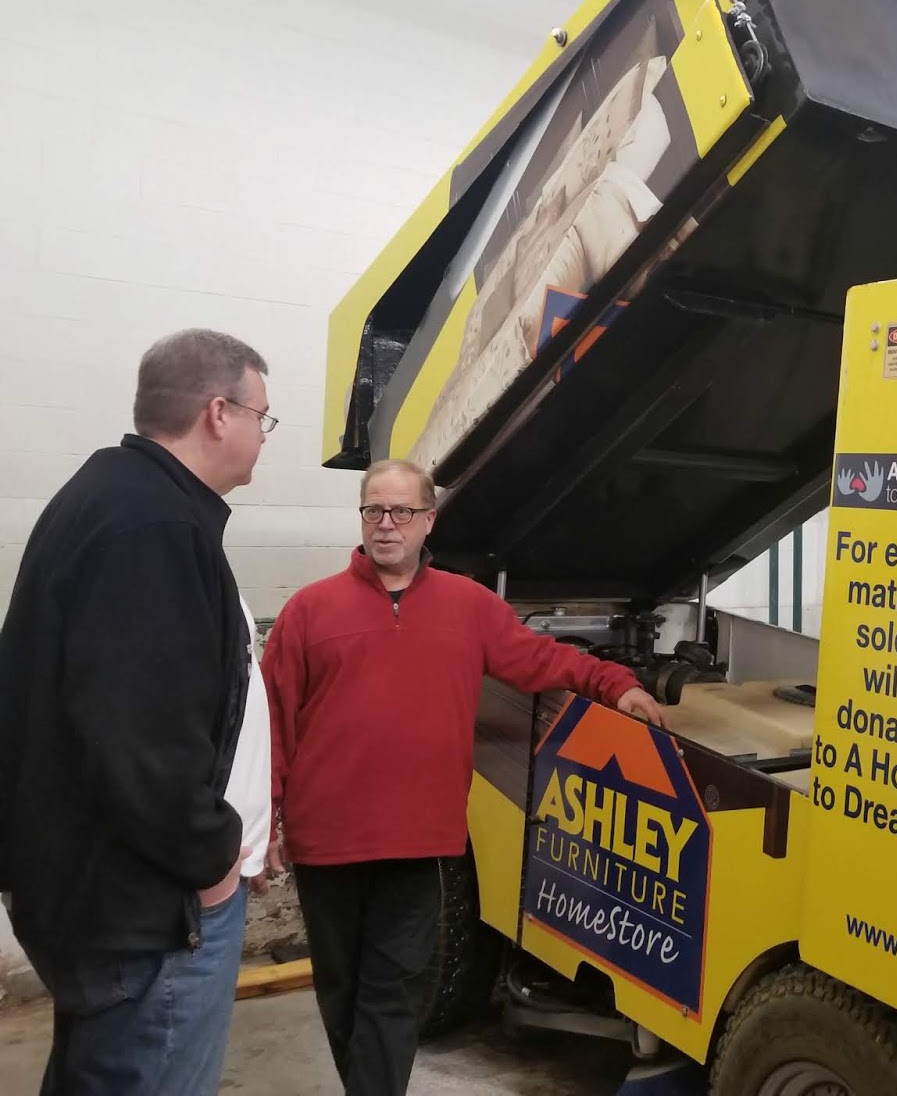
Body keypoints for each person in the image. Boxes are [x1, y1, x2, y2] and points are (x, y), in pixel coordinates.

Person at [262, 457, 665, 1095]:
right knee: (342, 993)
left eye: (401, 512)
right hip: (327, 843)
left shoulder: (469, 607)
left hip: (420, 841)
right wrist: (268, 824)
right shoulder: (309, 612)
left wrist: (617, 683)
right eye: (373, 510)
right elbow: (274, 726)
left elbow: (539, 659)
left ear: (428, 522)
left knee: (393, 990)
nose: (385, 524)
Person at [0, 328, 279, 1095]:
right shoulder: (152, 527)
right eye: (264, 415)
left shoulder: (120, 499)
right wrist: (213, 856)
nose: (264, 435)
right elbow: (137, 740)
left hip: (110, 899)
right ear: (219, 413)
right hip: (150, 913)